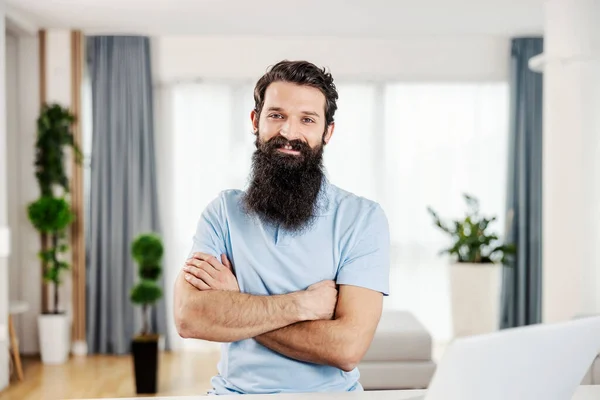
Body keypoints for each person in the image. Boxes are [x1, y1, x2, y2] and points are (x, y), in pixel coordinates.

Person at [173, 60, 390, 395]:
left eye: (307, 119)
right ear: (255, 120)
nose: (289, 132)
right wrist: (299, 305)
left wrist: (236, 303)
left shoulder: (363, 219)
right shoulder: (223, 213)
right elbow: (189, 317)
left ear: (327, 132)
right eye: (276, 115)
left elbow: (346, 349)